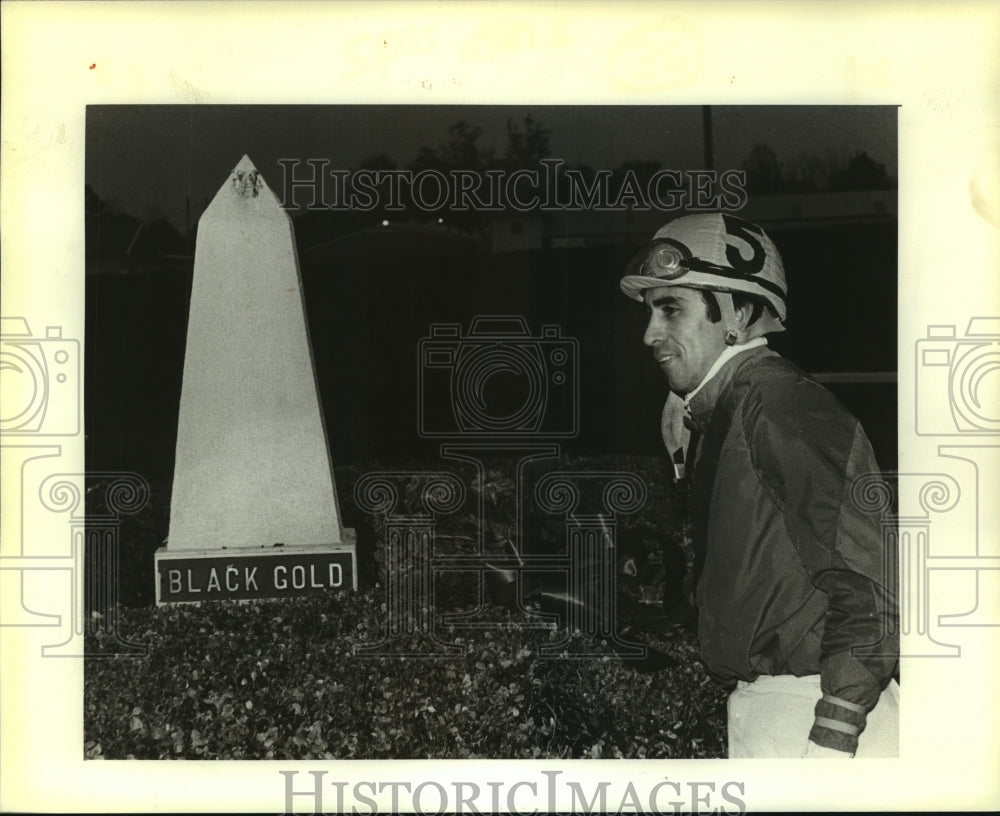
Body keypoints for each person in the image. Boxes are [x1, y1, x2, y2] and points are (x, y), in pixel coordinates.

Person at [619, 212, 899, 758]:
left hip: (819, 719)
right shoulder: (731, 404)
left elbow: (873, 578)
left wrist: (835, 731)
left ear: (740, 312)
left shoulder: (781, 403)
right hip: (777, 709)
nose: (649, 333)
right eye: (651, 311)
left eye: (671, 308)